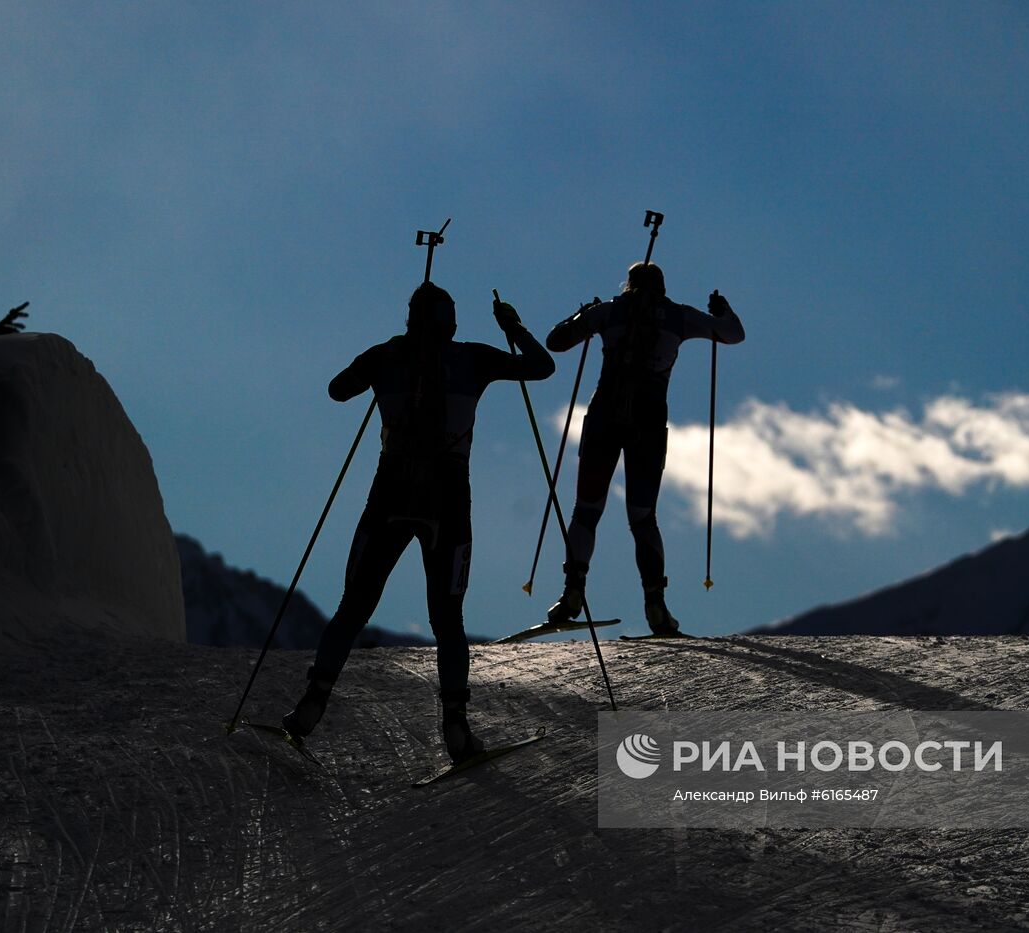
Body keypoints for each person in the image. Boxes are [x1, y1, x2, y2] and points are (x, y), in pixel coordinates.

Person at [284, 283, 554, 762]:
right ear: (451, 321)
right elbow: (542, 366)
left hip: (388, 492)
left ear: (410, 319)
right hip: (449, 498)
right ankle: (455, 729)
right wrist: (512, 327)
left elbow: (337, 390)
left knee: (354, 606)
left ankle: (312, 703)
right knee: (448, 620)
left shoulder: (386, 355)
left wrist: (381, 363)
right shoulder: (474, 358)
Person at [545, 262, 744, 635]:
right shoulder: (679, 316)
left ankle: (572, 593)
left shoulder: (609, 310)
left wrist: (583, 313)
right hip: (648, 423)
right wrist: (723, 310)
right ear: (663, 287)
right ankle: (655, 606)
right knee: (643, 516)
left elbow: (556, 341)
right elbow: (734, 334)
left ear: (629, 284)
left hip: (604, 417)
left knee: (586, 510)